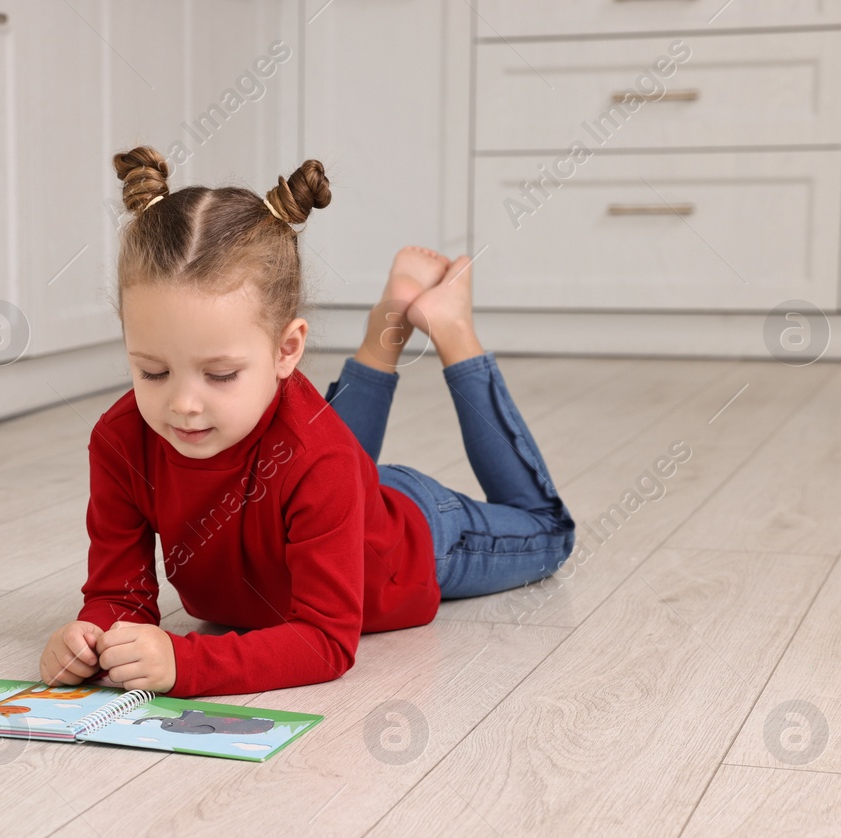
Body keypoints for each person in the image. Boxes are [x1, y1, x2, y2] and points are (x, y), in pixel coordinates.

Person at [38, 146, 575, 697]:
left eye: (219, 375)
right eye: (152, 371)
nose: (184, 404)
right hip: (319, 485)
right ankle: (389, 323)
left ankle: (452, 328)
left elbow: (325, 641)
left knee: (551, 532)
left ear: (287, 350)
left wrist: (186, 662)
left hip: (413, 537)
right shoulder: (120, 439)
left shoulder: (322, 458)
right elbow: (119, 595)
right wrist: (91, 634)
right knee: (308, 450)